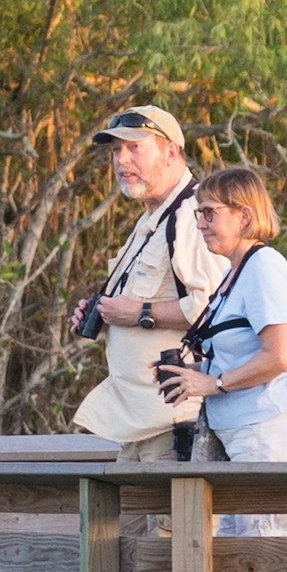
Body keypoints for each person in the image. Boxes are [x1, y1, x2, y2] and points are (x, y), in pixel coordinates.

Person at [119, 165, 287, 572]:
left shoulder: (265, 266)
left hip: (272, 430)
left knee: (265, 565)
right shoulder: (231, 276)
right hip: (235, 438)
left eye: (210, 212)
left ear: (244, 215)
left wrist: (214, 384)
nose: (200, 221)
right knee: (233, 563)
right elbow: (233, 350)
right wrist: (191, 372)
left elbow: (280, 355)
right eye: (198, 211)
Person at [67, 105, 221, 452]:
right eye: (115, 151)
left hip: (176, 424)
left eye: (135, 147)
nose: (121, 160)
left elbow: (215, 310)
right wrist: (104, 315)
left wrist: (139, 313)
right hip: (137, 424)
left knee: (171, 510)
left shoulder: (192, 216)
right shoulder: (151, 217)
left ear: (171, 152)